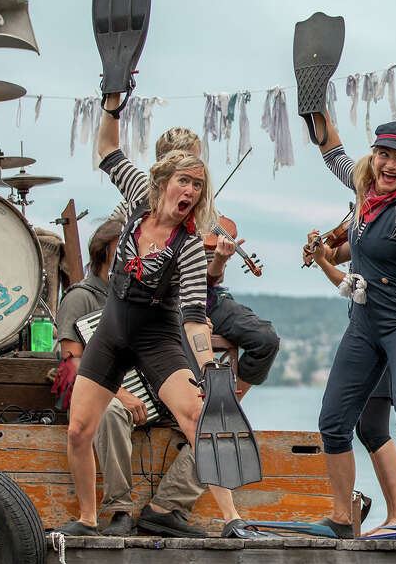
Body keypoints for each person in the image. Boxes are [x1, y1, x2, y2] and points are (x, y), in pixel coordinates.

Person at [56, 90, 243, 536]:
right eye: (185, 182)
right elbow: (107, 150)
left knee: (199, 418)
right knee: (79, 429)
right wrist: (112, 102)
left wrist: (208, 369)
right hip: (112, 331)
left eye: (199, 186)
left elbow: (196, 317)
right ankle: (86, 517)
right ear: (163, 183)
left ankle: (233, 519)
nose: (192, 192)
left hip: (157, 338)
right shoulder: (139, 197)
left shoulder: (192, 245)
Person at [308, 111, 396, 539]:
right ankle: (340, 517)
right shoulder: (364, 187)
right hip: (363, 325)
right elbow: (333, 153)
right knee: (332, 421)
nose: (389, 165)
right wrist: (316, 107)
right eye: (383, 154)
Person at [52, 215, 206, 537]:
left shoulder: (153, 296)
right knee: (108, 412)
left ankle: (165, 507)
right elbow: (71, 364)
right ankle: (119, 510)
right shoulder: (82, 297)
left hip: (158, 391)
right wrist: (119, 393)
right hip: (108, 393)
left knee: (214, 425)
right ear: (107, 252)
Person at [115, 127, 281, 398]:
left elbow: (210, 280)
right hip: (161, 302)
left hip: (205, 297)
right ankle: (188, 406)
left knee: (265, 339)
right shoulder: (134, 207)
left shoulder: (205, 212)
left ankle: (227, 403)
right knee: (186, 341)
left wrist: (219, 260)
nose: (195, 174)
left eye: (197, 163)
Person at [303, 226, 396, 534]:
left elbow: (354, 284)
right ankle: (387, 516)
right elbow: (343, 265)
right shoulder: (363, 225)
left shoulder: (384, 225)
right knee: (364, 427)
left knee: (374, 426)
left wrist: (324, 262)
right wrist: (323, 254)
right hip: (366, 331)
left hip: (386, 328)